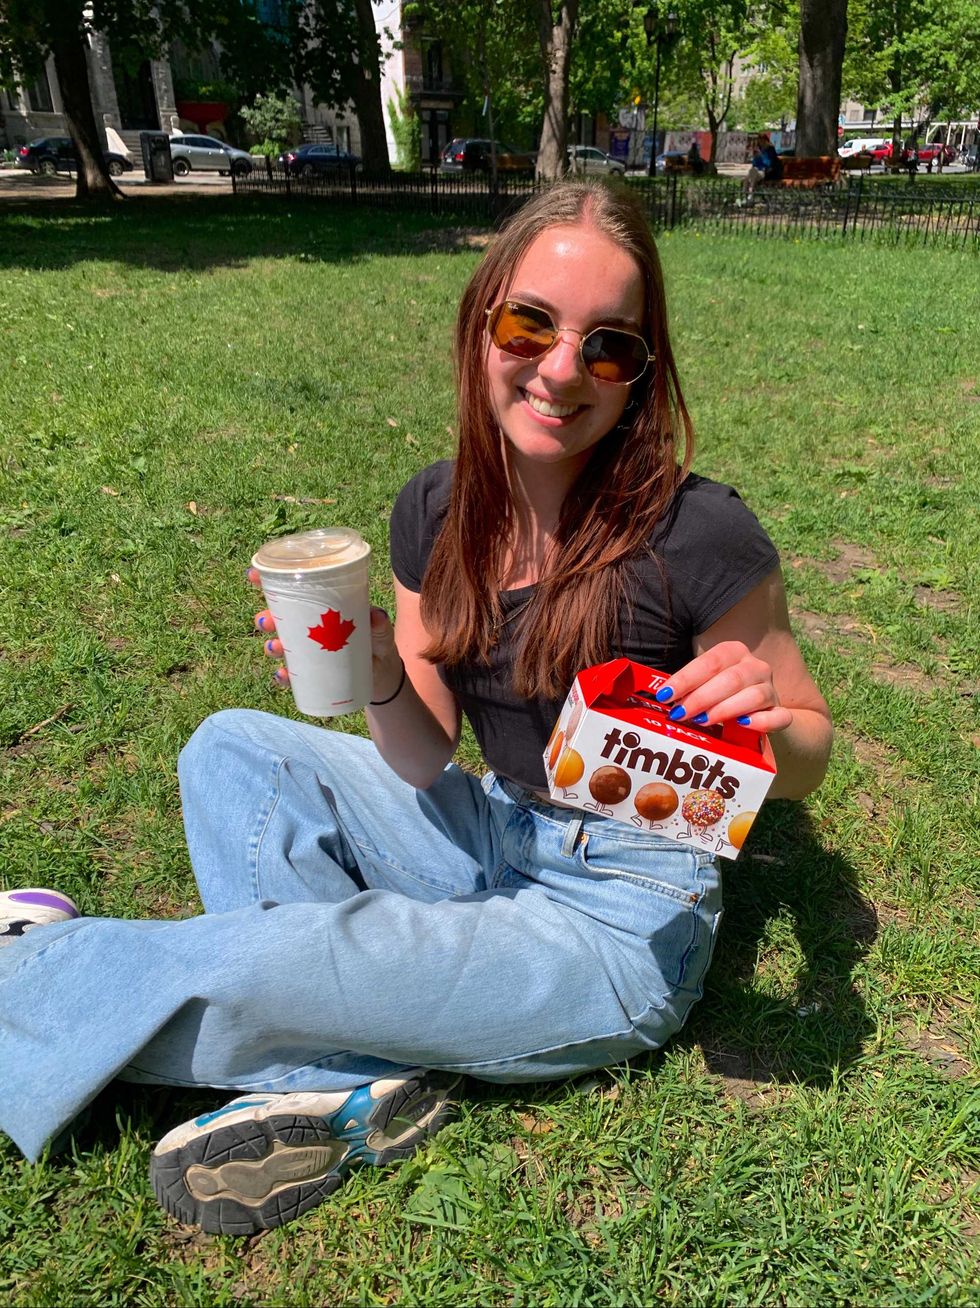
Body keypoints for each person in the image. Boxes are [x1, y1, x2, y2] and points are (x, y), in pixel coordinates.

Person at [0, 180, 832, 1237]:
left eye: (608, 346)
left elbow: (806, 755)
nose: (561, 369)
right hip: (497, 829)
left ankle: (37, 980)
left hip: (620, 913)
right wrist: (380, 668)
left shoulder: (695, 531)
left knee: (280, 960)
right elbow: (419, 756)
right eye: (529, 323)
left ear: (640, 373)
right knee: (231, 751)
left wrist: (762, 716)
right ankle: (356, 1070)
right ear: (481, 321)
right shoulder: (434, 510)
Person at [744, 134, 783, 198]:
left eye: (762, 141)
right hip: (756, 171)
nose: (761, 143)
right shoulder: (759, 150)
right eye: (759, 142)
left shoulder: (770, 150)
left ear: (766, 141)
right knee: (748, 177)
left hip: (766, 172)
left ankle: (749, 195)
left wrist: (761, 155)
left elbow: (768, 163)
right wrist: (755, 157)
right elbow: (754, 164)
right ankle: (746, 195)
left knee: (752, 175)